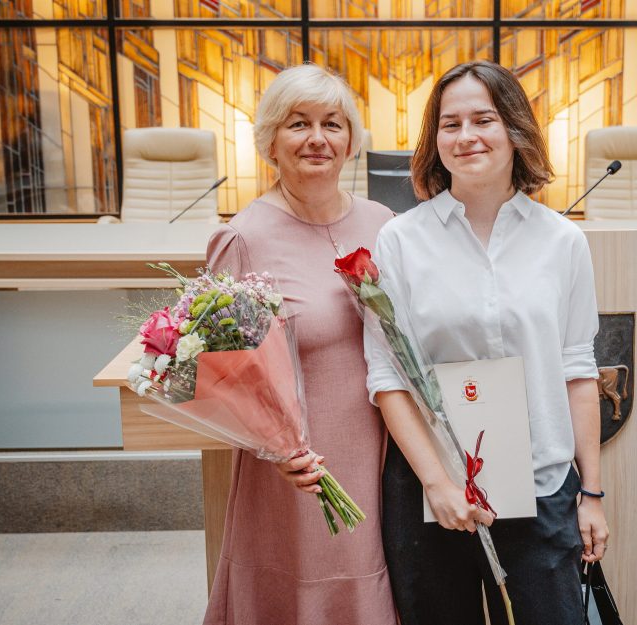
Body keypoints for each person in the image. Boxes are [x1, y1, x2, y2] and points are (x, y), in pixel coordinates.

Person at [366, 61, 609, 625]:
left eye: (484, 119)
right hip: (434, 488)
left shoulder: (562, 241)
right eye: (450, 124)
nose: (466, 136)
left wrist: (591, 492)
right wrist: (437, 482)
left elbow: (578, 368)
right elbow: (387, 377)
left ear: (515, 130)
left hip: (541, 481)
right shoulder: (400, 241)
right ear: (434, 140)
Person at [203, 64, 397, 625]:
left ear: (351, 141)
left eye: (332, 124)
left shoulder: (384, 223)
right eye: (298, 124)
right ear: (270, 140)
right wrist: (274, 449)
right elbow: (221, 377)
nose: (318, 139)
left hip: (390, 458)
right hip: (304, 472)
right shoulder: (243, 238)